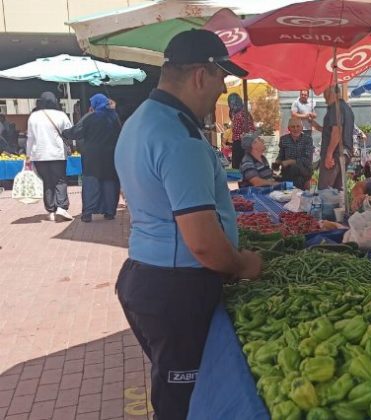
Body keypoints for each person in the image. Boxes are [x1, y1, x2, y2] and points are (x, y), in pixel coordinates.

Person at [114, 30, 262, 419]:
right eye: (220, 79)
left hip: (147, 276)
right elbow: (203, 245)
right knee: (185, 401)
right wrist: (245, 265)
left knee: (171, 388)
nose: (221, 89)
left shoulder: (138, 122)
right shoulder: (180, 138)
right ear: (200, 75)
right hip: (177, 287)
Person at [62, 93, 121, 222]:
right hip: (110, 157)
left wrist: (64, 133)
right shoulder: (114, 117)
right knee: (109, 183)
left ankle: (88, 213)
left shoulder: (90, 117)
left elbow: (76, 133)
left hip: (92, 157)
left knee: (91, 184)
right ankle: (110, 212)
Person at [26, 91, 73, 222]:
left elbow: (30, 138)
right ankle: (61, 208)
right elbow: (69, 132)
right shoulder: (61, 115)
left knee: (47, 181)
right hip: (57, 154)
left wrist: (28, 155)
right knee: (60, 180)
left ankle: (51, 211)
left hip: (39, 155)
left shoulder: (33, 116)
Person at [318, 85, 354, 190]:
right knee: (337, 192)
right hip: (344, 153)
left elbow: (337, 131)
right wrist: (315, 125)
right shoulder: (346, 107)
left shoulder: (335, 107)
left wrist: (329, 155)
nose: (323, 95)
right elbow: (333, 130)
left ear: (330, 92)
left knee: (325, 192)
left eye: (324, 92)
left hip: (335, 154)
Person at [275, 118, 314, 189]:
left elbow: (307, 159)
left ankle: (292, 190)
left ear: (302, 128)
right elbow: (281, 155)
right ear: (289, 128)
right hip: (289, 171)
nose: (295, 129)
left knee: (293, 168)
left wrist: (291, 161)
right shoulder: (284, 139)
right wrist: (276, 164)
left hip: (304, 170)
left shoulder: (308, 139)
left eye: (298, 126)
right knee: (276, 174)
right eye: (293, 127)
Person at [228, 93, 256, 170]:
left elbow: (249, 130)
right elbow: (252, 129)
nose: (230, 106)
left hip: (240, 144)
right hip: (244, 144)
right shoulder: (245, 113)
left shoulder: (240, 115)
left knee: (238, 169)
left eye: (231, 103)